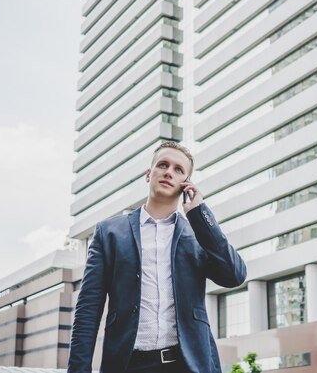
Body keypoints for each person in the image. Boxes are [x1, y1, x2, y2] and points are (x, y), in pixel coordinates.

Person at [68, 141, 247, 373]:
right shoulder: (109, 233)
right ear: (148, 174)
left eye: (178, 169)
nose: (168, 172)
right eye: (163, 165)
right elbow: (88, 311)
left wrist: (200, 215)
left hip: (187, 365)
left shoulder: (198, 235)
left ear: (186, 184)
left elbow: (234, 276)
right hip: (128, 365)